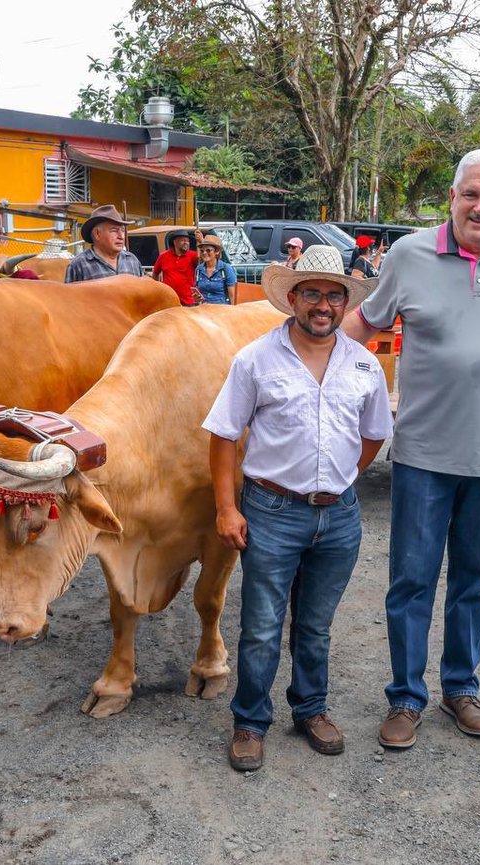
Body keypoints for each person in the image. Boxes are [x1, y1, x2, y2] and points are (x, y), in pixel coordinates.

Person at [342, 148, 480, 747]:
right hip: (423, 455)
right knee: (410, 579)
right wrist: (299, 358)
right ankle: (406, 697)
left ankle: (461, 689)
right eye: (470, 194)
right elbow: (365, 324)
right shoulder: (409, 254)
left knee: (474, 579)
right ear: (452, 198)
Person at [204, 245, 392, 771]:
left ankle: (310, 708)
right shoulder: (255, 359)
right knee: (262, 624)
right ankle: (249, 722)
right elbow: (223, 435)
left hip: (339, 516)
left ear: (344, 304)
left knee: (316, 624)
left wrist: (340, 478)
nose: (323, 305)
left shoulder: (363, 364)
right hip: (271, 510)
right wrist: (227, 508)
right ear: (292, 298)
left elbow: (374, 435)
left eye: (334, 295)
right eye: (312, 293)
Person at [64, 205, 142, 282]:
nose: (121, 236)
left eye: (122, 230)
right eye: (114, 230)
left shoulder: (132, 261)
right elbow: (69, 294)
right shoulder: (79, 265)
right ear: (97, 234)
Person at [153, 229, 200, 306]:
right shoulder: (163, 256)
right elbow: (155, 273)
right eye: (182, 240)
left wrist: (201, 241)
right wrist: (157, 289)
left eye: (187, 241)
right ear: (175, 242)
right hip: (168, 300)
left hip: (188, 301)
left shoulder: (193, 256)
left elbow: (203, 260)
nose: (186, 243)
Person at [194, 234, 237, 305]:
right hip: (203, 310)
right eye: (202, 251)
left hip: (221, 311)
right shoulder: (198, 269)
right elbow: (197, 293)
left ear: (217, 252)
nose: (204, 253)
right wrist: (197, 298)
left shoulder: (226, 269)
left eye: (208, 250)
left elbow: (233, 297)